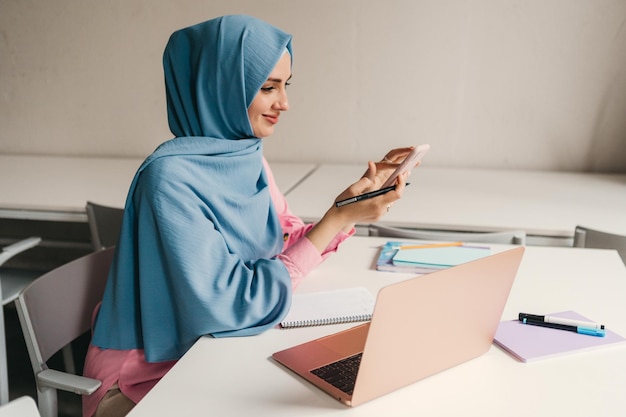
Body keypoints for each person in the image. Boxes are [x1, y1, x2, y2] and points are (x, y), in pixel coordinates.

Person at [82, 14, 414, 417]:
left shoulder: (245, 155)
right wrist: (337, 218)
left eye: (285, 86)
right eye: (268, 87)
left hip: (211, 351)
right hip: (145, 378)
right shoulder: (168, 179)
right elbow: (233, 304)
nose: (284, 103)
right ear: (220, 88)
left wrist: (348, 207)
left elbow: (286, 252)